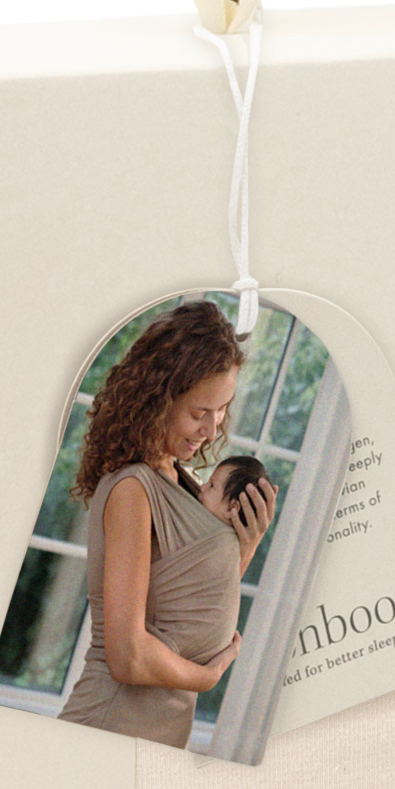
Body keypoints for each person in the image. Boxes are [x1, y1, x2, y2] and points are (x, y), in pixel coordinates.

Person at [57, 302, 277, 746]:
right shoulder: (133, 490)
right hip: (111, 721)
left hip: (157, 734)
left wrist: (246, 547)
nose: (212, 429)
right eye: (199, 413)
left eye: (222, 409)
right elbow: (128, 657)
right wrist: (208, 676)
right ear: (159, 401)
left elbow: (186, 609)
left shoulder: (185, 482)